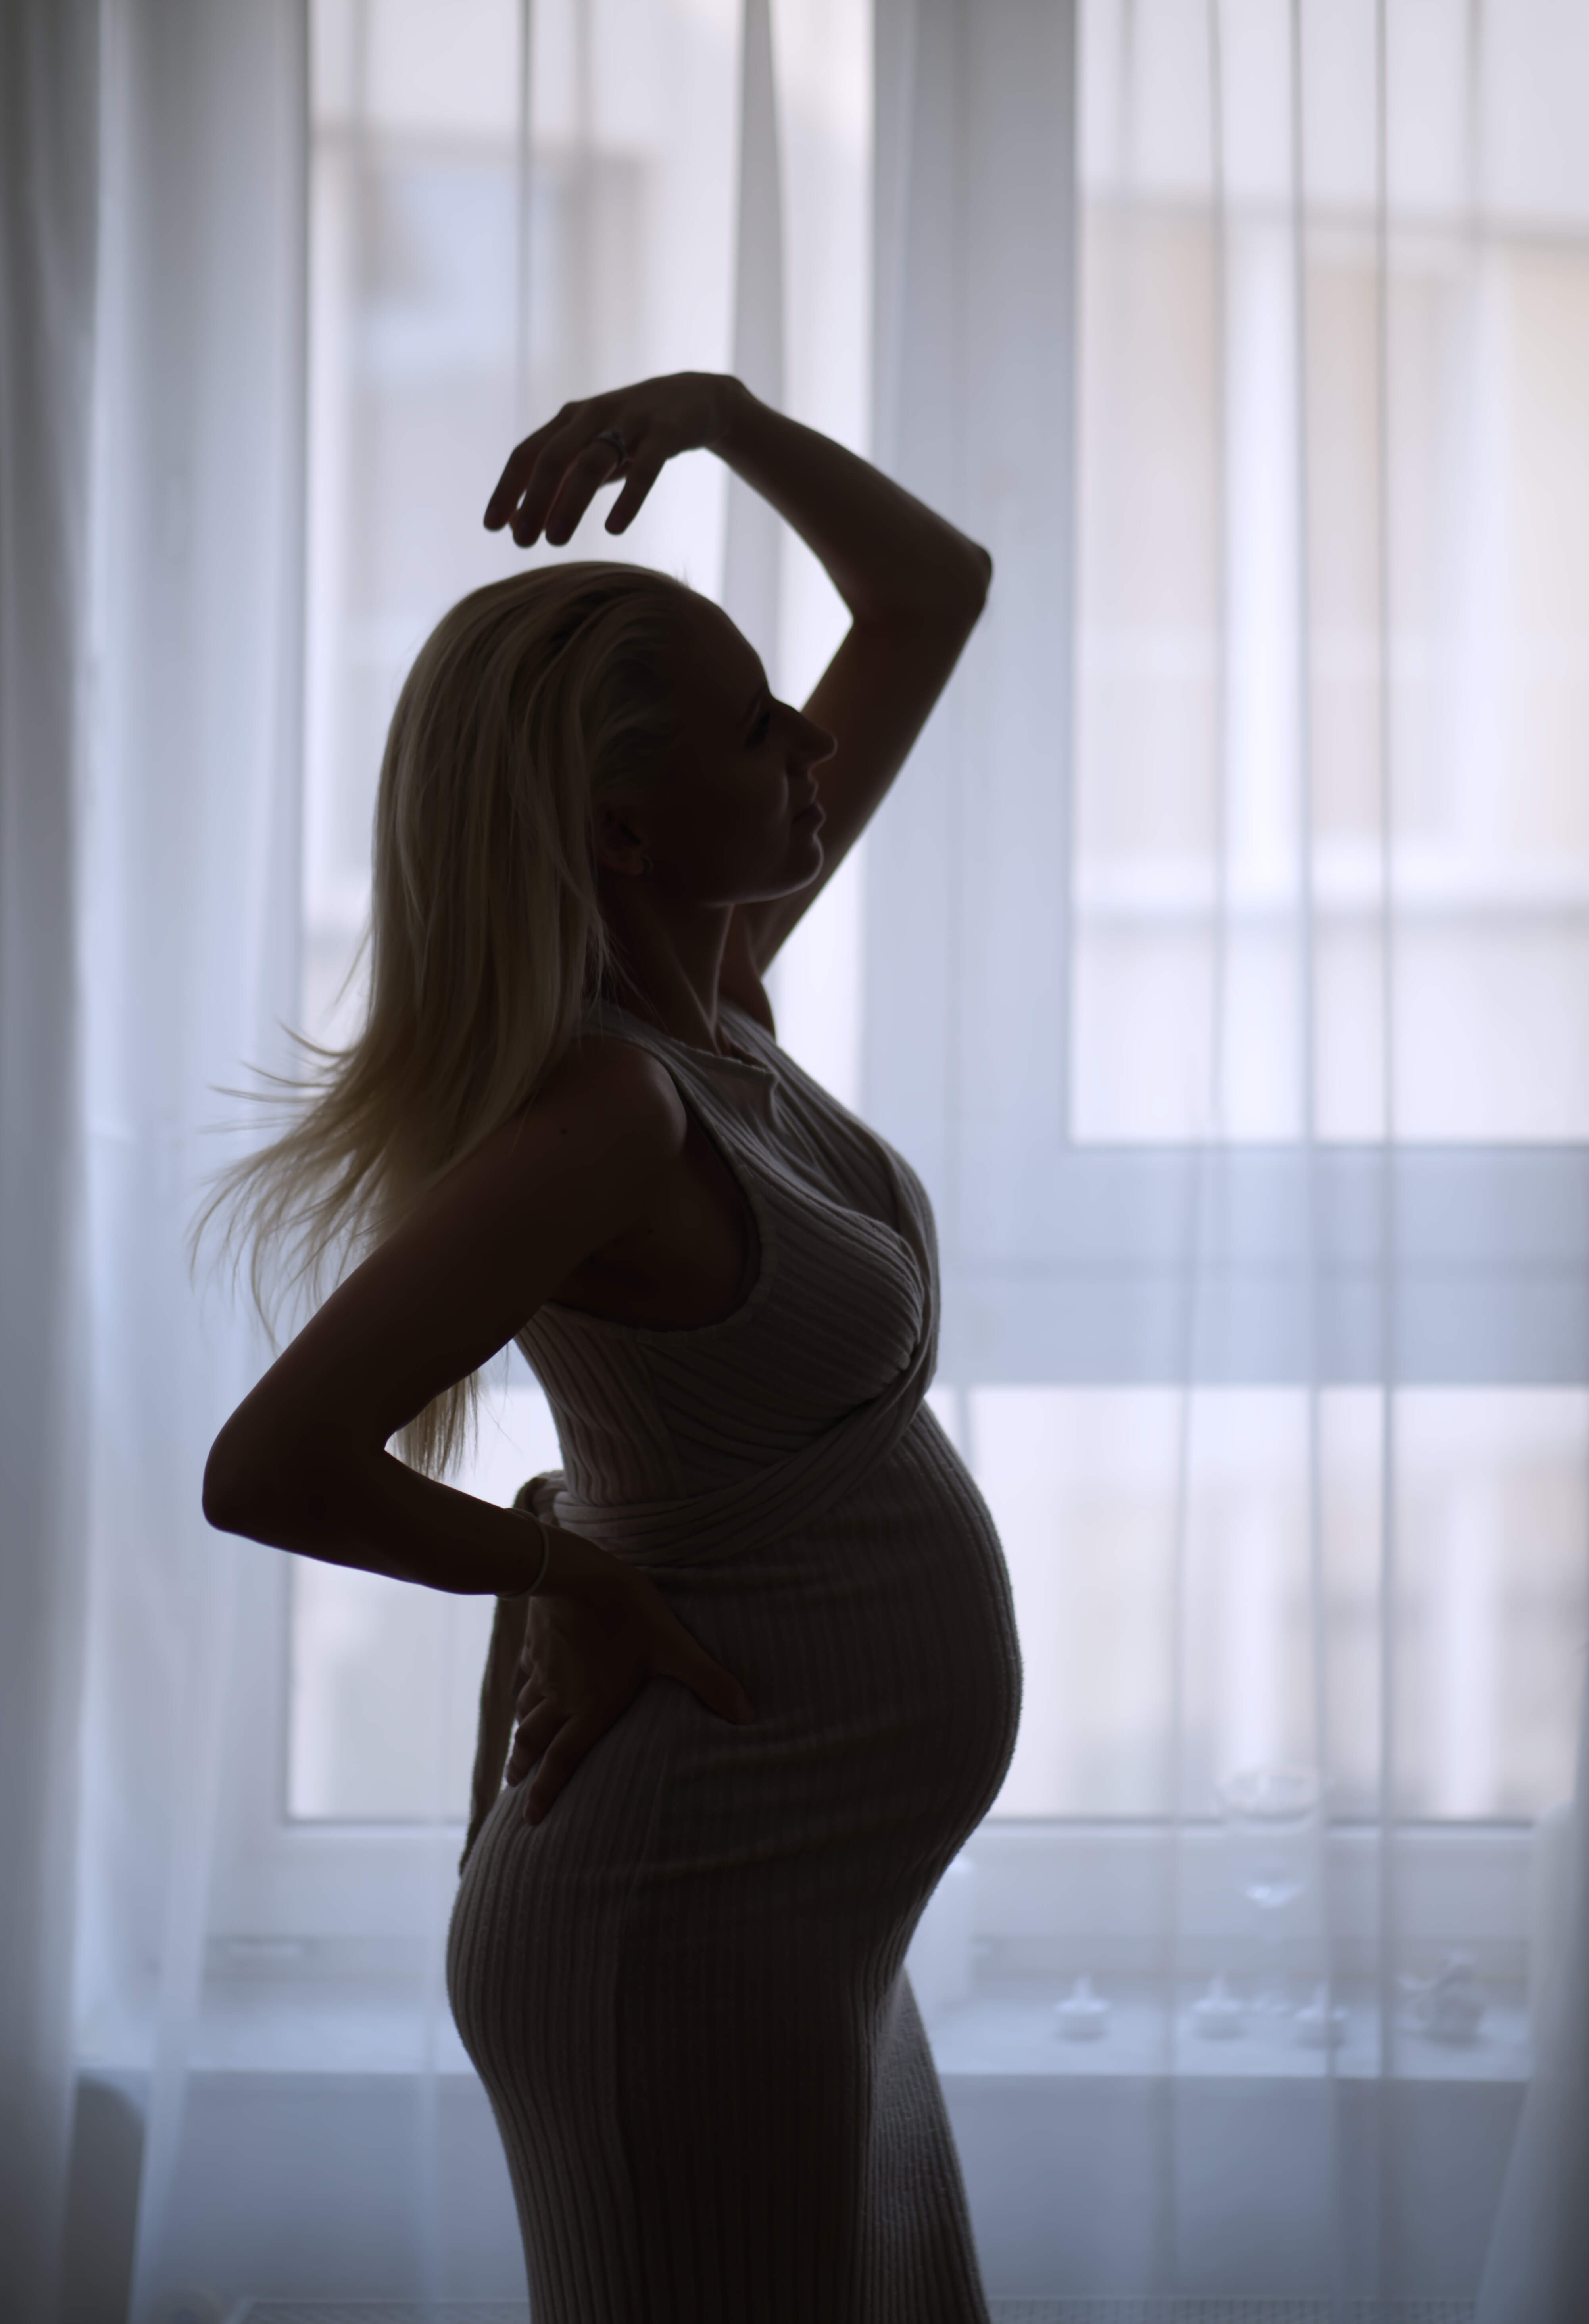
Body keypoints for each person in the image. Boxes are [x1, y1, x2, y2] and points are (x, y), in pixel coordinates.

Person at [202, 372, 1022, 2322]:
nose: (809, 751)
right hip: (682, 1920)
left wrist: (721, 416)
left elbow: (934, 594)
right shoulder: (607, 1117)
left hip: (805, 1908)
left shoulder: (720, 990)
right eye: (760, 729)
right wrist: (564, 1569)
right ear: (627, 827)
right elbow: (269, 1466)